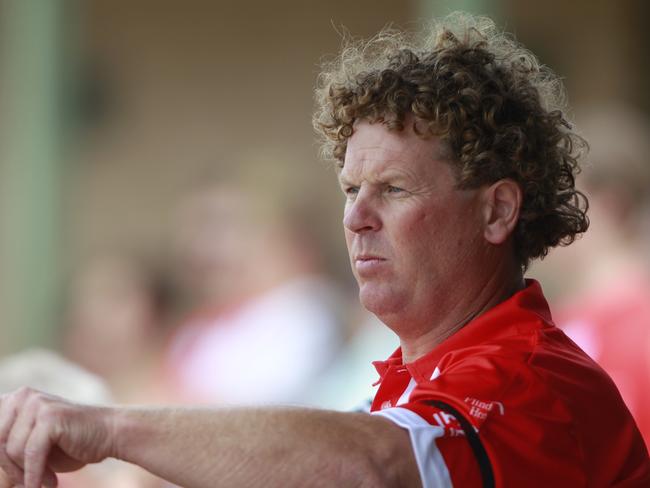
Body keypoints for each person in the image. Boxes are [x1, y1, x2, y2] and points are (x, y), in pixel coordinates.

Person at [0, 12, 648, 488]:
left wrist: (112, 428)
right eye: (350, 189)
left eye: (393, 189)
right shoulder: (416, 375)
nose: (357, 217)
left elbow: (371, 463)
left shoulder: (532, 379)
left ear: (497, 210)